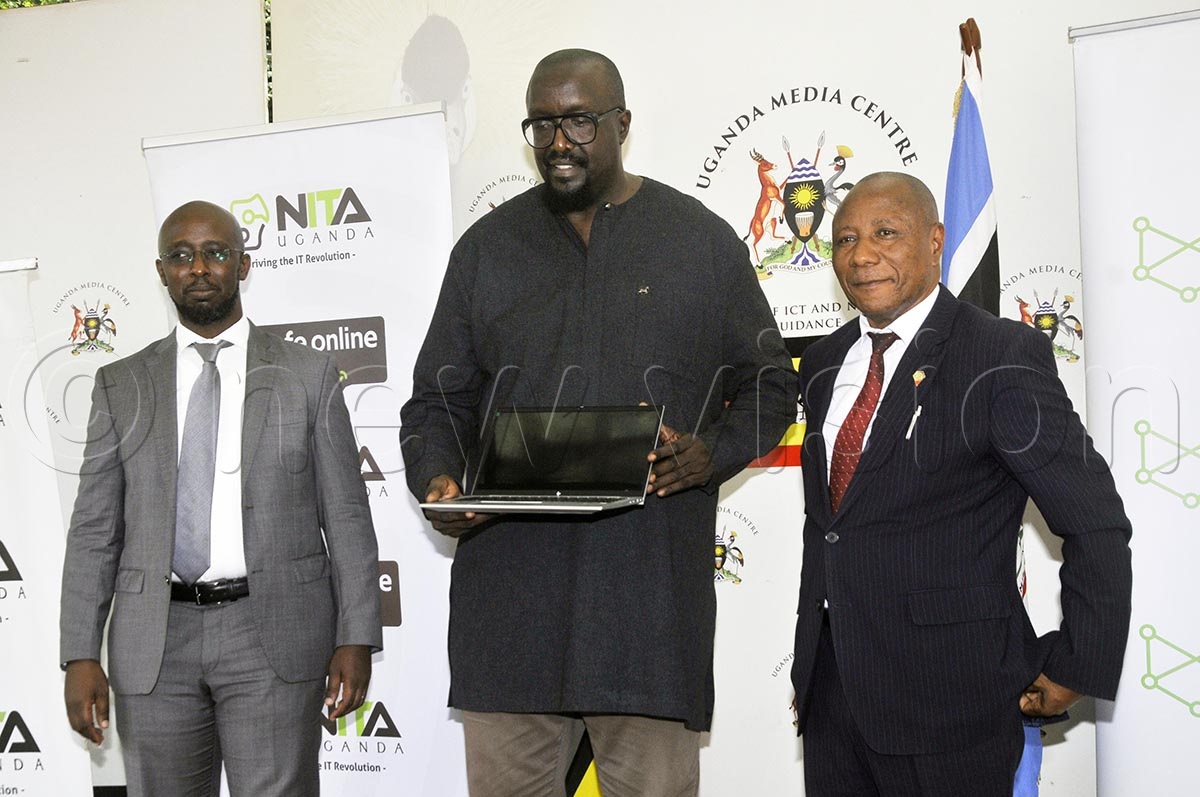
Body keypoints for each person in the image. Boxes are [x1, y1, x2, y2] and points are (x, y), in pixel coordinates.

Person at [400, 49, 797, 796]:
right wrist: (439, 477)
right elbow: (436, 402)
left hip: (648, 609)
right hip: (510, 610)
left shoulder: (699, 241)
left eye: (579, 121)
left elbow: (772, 385)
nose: (559, 142)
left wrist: (709, 453)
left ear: (622, 123)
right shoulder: (485, 251)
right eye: (542, 125)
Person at [790, 172, 1133, 796]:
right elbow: (834, 528)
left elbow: (1095, 521)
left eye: (885, 233)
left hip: (953, 697)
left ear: (935, 241)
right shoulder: (821, 362)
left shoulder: (1000, 354)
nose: (861, 255)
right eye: (845, 239)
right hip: (833, 699)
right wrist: (810, 665)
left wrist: (1079, 663)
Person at [59, 201, 382, 796]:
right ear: (162, 272)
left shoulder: (308, 374)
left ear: (243, 264)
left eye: (215, 253)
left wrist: (355, 635)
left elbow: (346, 515)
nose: (199, 267)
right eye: (181, 255)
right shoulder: (120, 384)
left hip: (273, 630)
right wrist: (80, 652)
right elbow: (94, 531)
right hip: (154, 641)